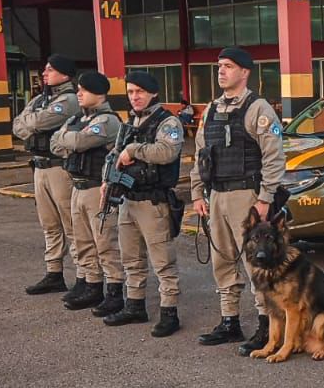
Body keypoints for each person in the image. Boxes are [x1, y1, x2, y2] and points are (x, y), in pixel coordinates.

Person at [190, 46, 286, 355]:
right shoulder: (211, 111)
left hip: (247, 196)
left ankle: (265, 326)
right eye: (219, 66)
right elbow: (200, 156)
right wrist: (197, 193)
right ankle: (229, 321)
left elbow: (274, 159)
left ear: (244, 72)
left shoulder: (259, 109)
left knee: (255, 263)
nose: (221, 71)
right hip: (217, 194)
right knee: (222, 261)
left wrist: (265, 199)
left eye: (228, 66)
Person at [101, 70, 185, 337]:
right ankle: (135, 305)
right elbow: (114, 154)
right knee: (131, 258)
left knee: (163, 262)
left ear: (153, 93)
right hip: (129, 198)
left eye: (139, 92)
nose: (134, 97)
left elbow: (166, 152)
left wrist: (133, 150)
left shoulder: (167, 122)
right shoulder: (131, 122)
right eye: (130, 92)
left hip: (153, 201)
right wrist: (107, 180)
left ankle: (169, 312)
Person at [49, 71, 124, 316]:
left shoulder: (107, 121)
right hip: (78, 187)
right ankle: (91, 285)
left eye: (83, 90)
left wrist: (67, 139)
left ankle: (113, 290)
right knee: (82, 242)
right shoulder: (78, 119)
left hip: (96, 189)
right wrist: (68, 139)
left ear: (99, 93)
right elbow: (54, 143)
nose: (78, 94)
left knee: (105, 243)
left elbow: (79, 142)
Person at [11, 54, 79, 297]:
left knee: (71, 224)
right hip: (40, 168)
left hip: (60, 168)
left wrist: (31, 122)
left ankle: (85, 277)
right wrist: (32, 122)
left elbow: (42, 120)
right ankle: (54, 273)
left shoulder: (69, 100)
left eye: (50, 69)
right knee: (49, 224)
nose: (44, 73)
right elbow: (17, 125)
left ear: (65, 74)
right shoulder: (41, 98)